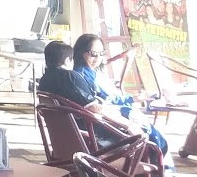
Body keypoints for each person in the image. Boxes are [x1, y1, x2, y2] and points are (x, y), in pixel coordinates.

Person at [70, 33, 169, 162]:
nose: (98, 58)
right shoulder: (83, 75)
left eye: (101, 53)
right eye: (93, 53)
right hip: (103, 125)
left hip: (103, 121)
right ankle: (152, 169)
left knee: (152, 135)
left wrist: (132, 99)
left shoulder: (90, 73)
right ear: (81, 53)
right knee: (153, 139)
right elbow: (100, 104)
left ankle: (153, 167)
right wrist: (129, 109)